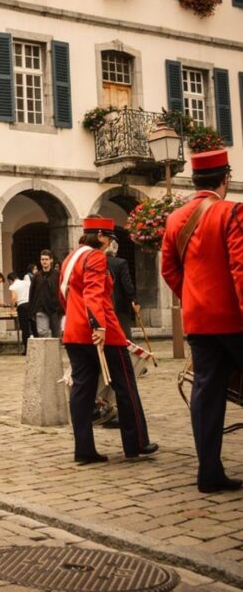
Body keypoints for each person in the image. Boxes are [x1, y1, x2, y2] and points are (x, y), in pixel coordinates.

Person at [161, 149, 243, 493]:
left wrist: (193, 297)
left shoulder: (175, 218)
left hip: (198, 322)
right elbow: (241, 270)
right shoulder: (232, 211)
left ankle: (209, 471)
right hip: (234, 320)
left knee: (206, 394)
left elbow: (169, 270)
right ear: (224, 179)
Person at [59, 216, 157, 465]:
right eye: (110, 238)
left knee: (82, 391)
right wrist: (99, 326)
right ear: (101, 237)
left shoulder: (71, 258)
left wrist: (78, 320)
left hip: (74, 331)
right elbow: (93, 293)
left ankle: (84, 449)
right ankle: (136, 444)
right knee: (125, 386)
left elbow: (64, 296)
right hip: (104, 333)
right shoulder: (95, 256)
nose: (112, 244)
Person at [105, 239, 139, 341]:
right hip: (120, 304)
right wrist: (134, 300)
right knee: (124, 334)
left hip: (104, 302)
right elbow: (127, 284)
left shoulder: (97, 261)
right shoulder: (121, 263)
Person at [29, 250, 64, 338]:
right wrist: (32, 310)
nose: (44, 261)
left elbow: (62, 291)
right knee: (42, 333)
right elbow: (32, 293)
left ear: (51, 260)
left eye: (46, 259)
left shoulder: (58, 275)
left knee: (56, 335)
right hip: (40, 309)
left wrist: (62, 307)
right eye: (42, 259)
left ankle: (55, 352)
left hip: (55, 310)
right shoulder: (37, 276)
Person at [7, 271, 32, 355]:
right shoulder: (26, 283)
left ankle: (27, 350)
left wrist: (11, 309)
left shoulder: (13, 286)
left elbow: (13, 298)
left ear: (10, 280)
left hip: (22, 306)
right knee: (33, 327)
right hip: (30, 305)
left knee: (25, 329)